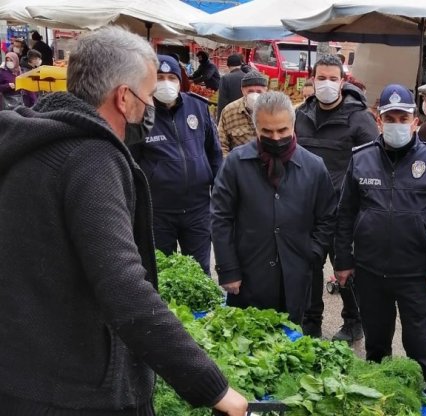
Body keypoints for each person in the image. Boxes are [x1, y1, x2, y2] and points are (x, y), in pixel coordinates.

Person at [0, 26, 247, 415]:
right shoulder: (91, 160)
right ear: (123, 97)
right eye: (148, 95)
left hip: (19, 371)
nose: (150, 107)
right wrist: (213, 388)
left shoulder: (31, 140)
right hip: (73, 392)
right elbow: (122, 286)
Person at [334, 83, 426, 398]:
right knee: (376, 343)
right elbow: (345, 214)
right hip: (370, 271)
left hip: (415, 273)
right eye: (391, 117)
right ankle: (378, 398)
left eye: (403, 117)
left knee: (420, 344)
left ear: (415, 121)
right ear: (378, 119)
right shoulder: (361, 159)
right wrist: (343, 261)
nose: (397, 124)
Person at [211, 91, 336, 325]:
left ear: (293, 125)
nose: (276, 138)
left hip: (295, 275)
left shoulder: (314, 167)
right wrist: (228, 270)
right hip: (249, 275)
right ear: (255, 128)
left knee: (290, 343)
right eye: (267, 132)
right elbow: (221, 219)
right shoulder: (235, 165)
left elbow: (327, 217)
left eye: (282, 131)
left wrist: (313, 253)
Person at [295, 54, 378, 341]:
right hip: (307, 209)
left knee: (346, 269)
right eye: (321, 78)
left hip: (345, 211)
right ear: (312, 79)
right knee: (309, 267)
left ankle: (354, 321)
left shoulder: (359, 119)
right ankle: (311, 321)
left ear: (342, 82)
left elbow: (373, 164)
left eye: (333, 78)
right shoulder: (300, 116)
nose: (326, 83)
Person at [128, 54, 222, 274]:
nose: (166, 83)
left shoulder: (198, 108)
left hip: (198, 209)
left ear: (180, 81)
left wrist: (219, 190)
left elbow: (214, 153)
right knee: (161, 273)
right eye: (160, 77)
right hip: (158, 211)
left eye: (172, 77)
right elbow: (130, 162)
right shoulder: (140, 113)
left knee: (199, 273)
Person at [218, 71, 268, 157]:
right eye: (250, 91)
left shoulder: (274, 110)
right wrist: (230, 164)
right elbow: (221, 144)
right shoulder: (229, 112)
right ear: (242, 91)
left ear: (265, 91)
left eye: (259, 92)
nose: (255, 95)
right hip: (240, 164)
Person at [217, 53, 253, 120]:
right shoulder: (248, 77)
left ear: (228, 66)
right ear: (240, 65)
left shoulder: (225, 78)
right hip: (246, 116)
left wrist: (220, 120)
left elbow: (222, 102)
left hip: (231, 116)